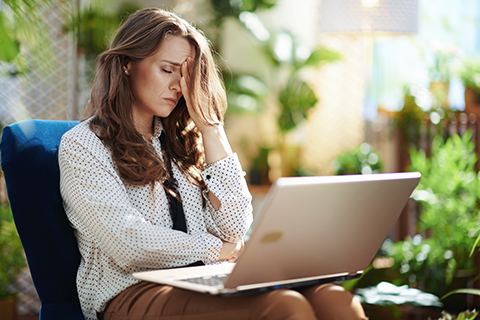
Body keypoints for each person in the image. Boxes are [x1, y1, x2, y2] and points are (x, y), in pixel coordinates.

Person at [58, 7, 368, 320]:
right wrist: (212, 249)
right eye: (167, 70)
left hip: (199, 281)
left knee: (336, 300)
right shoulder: (84, 146)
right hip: (130, 292)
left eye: (186, 75)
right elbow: (129, 244)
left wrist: (210, 126)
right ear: (127, 64)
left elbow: (234, 231)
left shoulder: (184, 140)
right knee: (284, 306)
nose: (179, 85)